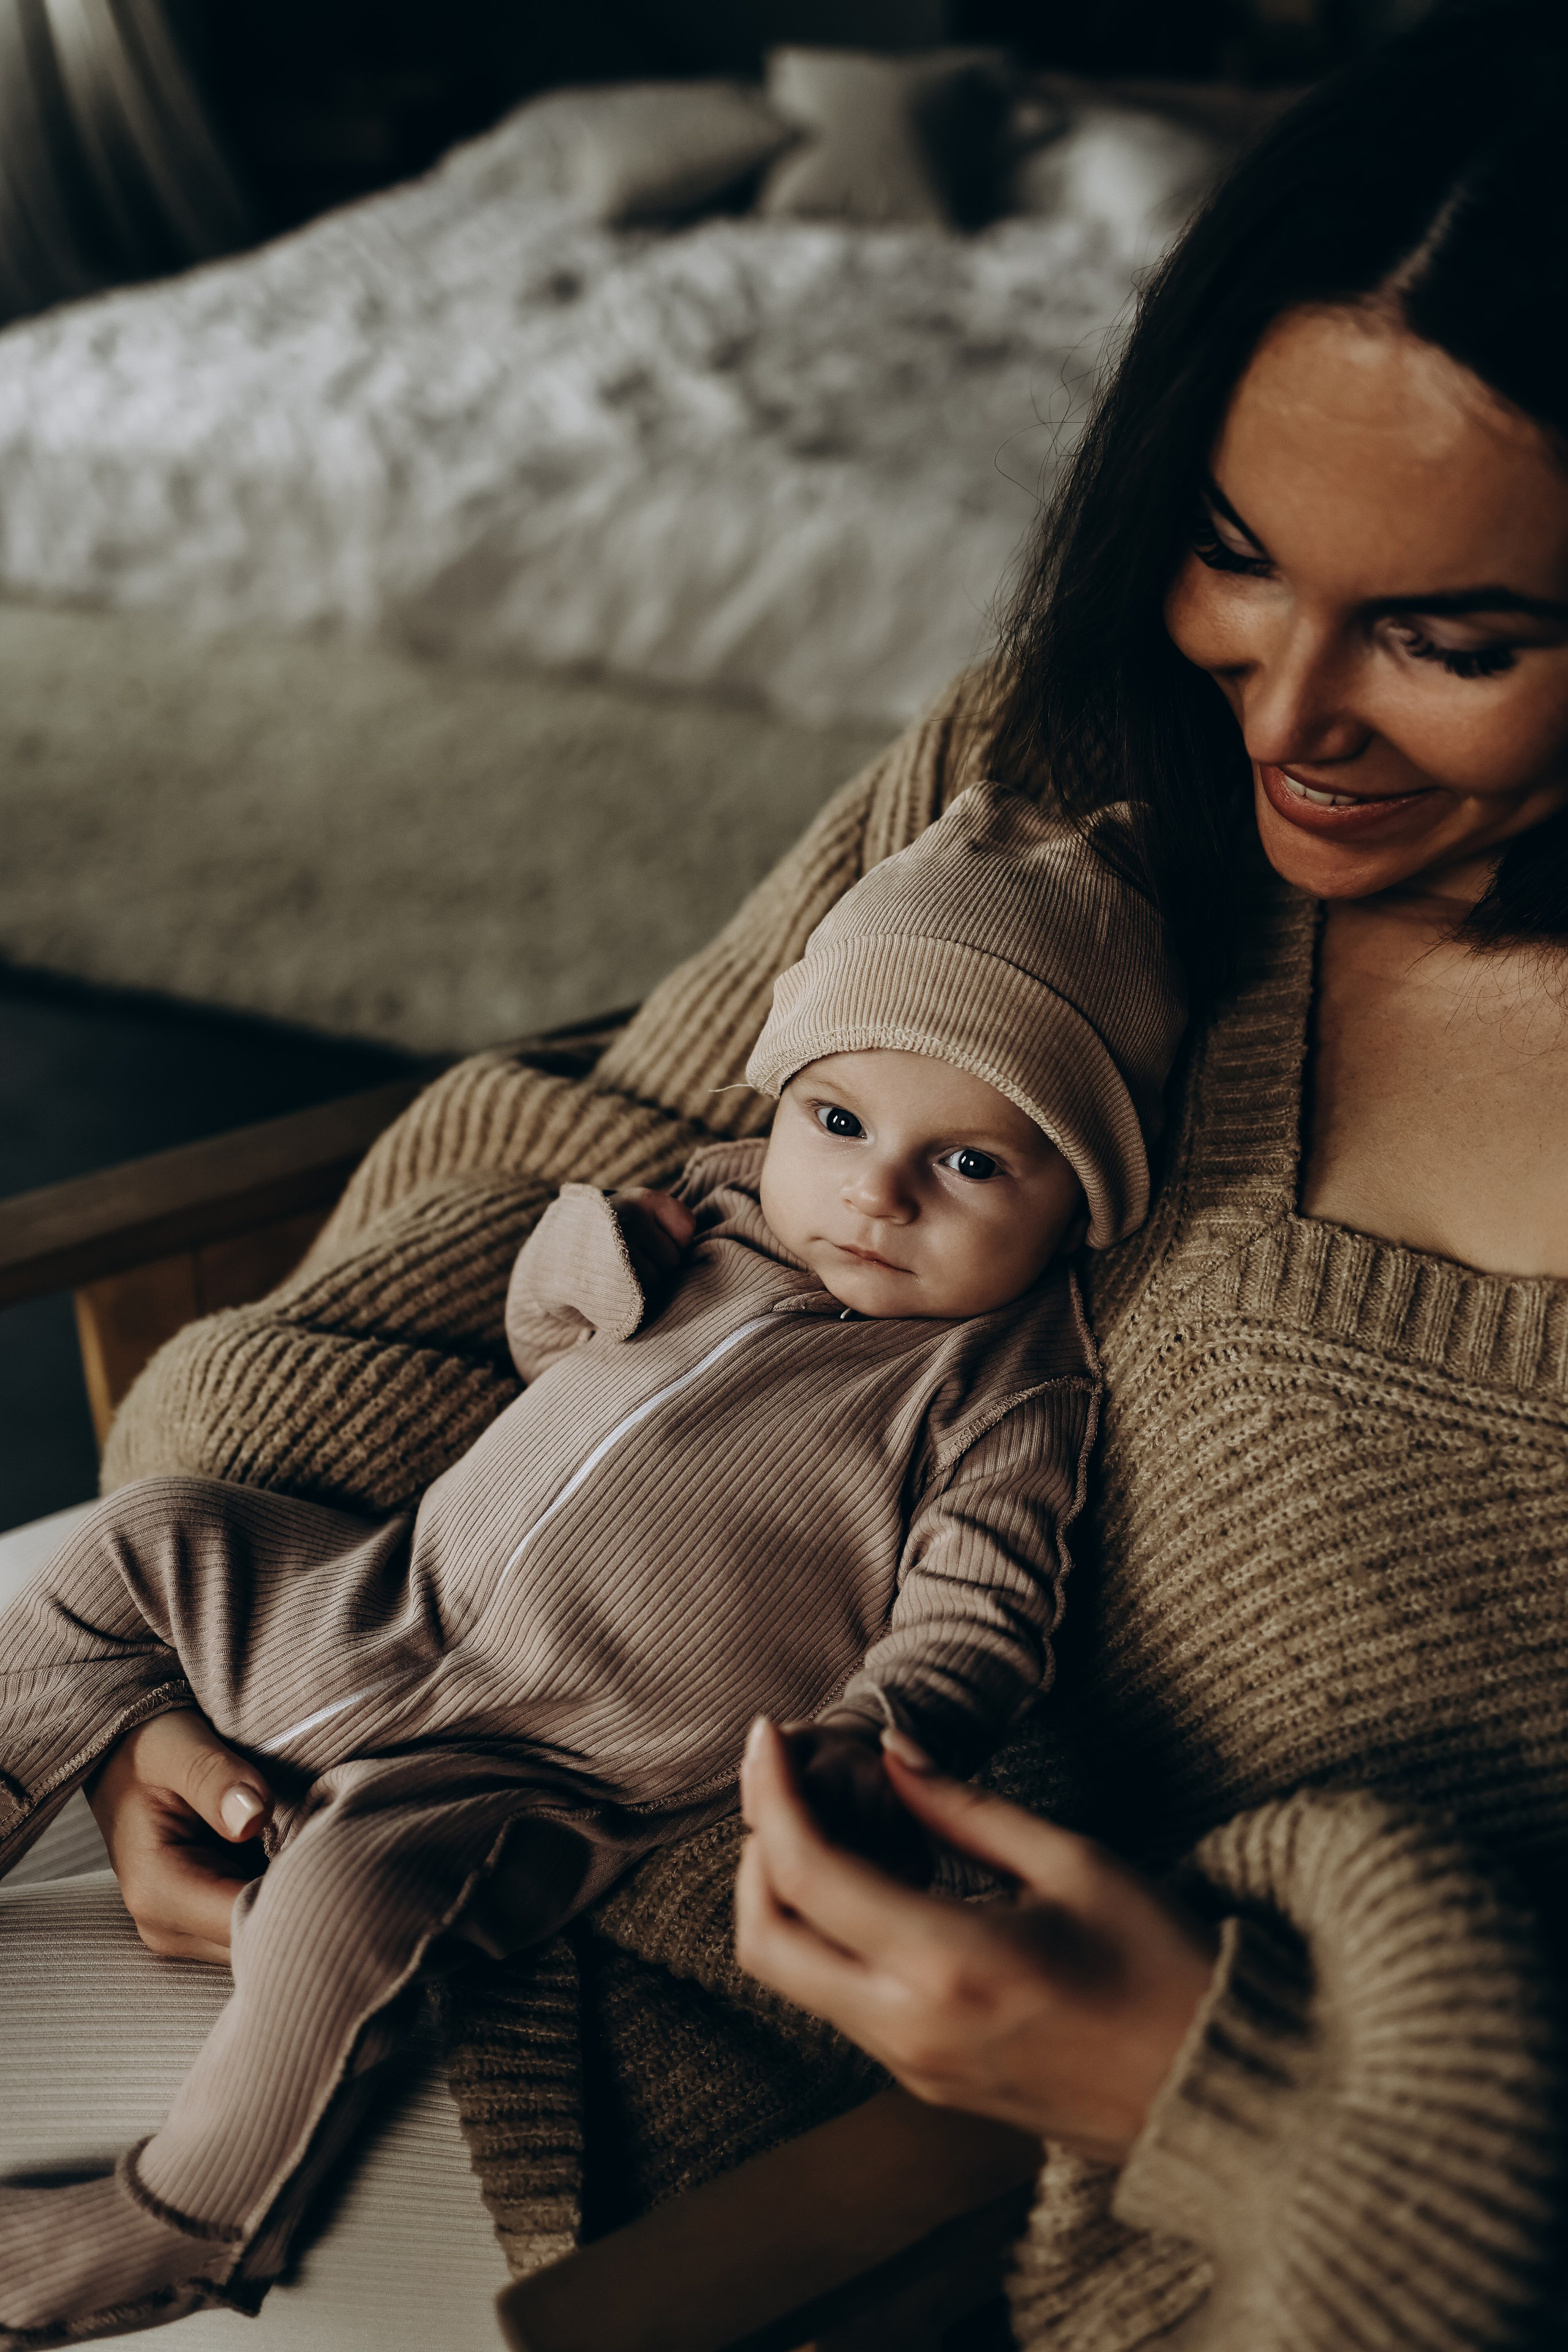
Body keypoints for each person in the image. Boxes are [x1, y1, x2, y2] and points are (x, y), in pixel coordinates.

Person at [7, 0, 1566, 2344]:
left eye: (1450, 641)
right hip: (342, 1770)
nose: (1280, 711)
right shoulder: (1067, 776)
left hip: (867, 2184)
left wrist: (1208, 2086)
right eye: (1232, 553)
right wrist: (189, 1704)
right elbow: (604, 1149)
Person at [0, 790, 1184, 2340]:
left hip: (542, 1769)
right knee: (151, 1534)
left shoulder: (1001, 1391)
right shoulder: (718, 1195)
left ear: (1082, 1195)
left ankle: (188, 2216)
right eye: (837, 1123)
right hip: (375, 1604)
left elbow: (981, 1618)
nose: (875, 1194)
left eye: (967, 1167)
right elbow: (544, 1339)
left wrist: (886, 1735)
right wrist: (588, 1249)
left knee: (346, 1898)